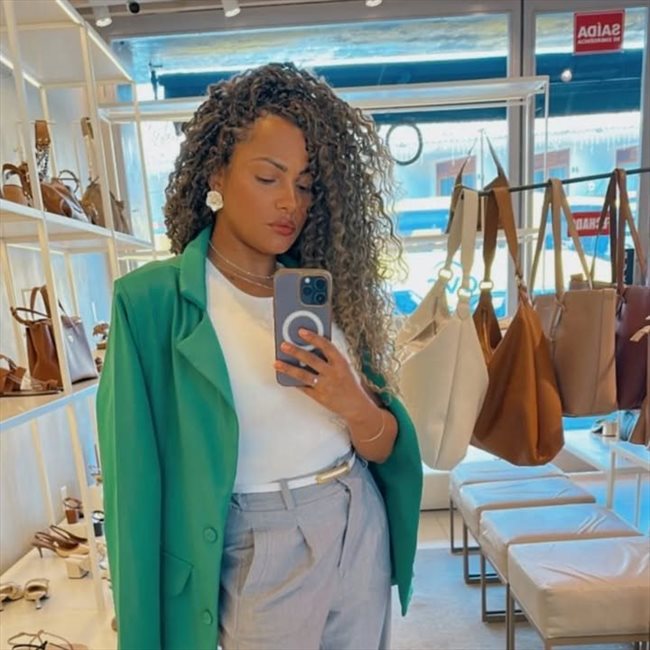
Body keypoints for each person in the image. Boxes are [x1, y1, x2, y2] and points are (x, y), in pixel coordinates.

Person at [97, 62, 423, 650]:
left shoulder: (324, 292)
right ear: (217, 172)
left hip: (357, 519)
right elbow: (131, 488)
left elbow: (384, 445)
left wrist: (353, 403)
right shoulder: (150, 304)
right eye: (268, 177)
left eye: (305, 184)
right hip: (258, 543)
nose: (289, 202)